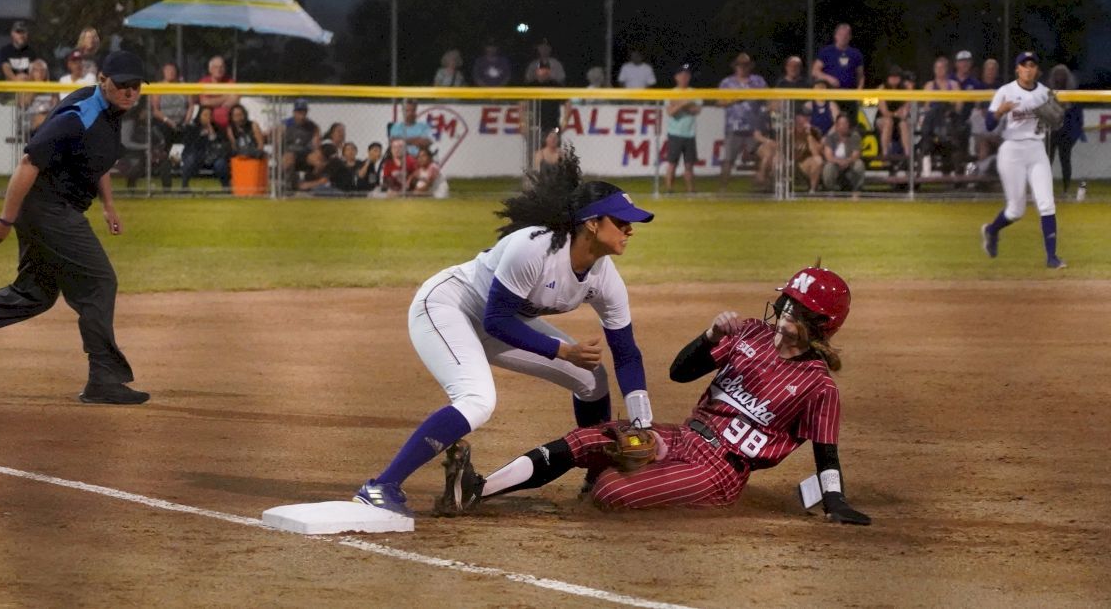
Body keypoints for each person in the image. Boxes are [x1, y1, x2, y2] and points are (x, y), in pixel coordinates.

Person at [432, 264, 870, 528]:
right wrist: (709, 336)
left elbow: (827, 454)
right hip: (682, 437)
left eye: (795, 308)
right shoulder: (749, 333)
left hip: (720, 471)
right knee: (587, 440)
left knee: (611, 490)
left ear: (820, 322)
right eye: (786, 303)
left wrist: (834, 501)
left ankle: (618, 481)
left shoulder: (818, 385)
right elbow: (680, 373)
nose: (783, 311)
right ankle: (475, 489)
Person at [353, 152, 657, 517]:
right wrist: (563, 351)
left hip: (499, 320)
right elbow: (496, 320)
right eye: (622, 222)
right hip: (449, 306)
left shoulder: (604, 278)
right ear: (592, 223)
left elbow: (626, 352)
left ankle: (595, 475)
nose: (630, 230)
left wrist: (643, 423)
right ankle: (380, 485)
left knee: (592, 379)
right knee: (478, 399)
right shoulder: (535, 248)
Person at [0, 51, 151, 404]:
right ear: (102, 79)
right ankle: (103, 378)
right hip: (48, 210)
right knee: (99, 281)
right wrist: (5, 220)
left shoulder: (110, 112)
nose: (130, 92)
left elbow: (98, 159)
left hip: (57, 209)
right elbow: (29, 162)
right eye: (123, 85)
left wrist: (108, 205)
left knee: (35, 295)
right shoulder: (79, 115)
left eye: (136, 86)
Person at [981, 52, 1066, 269]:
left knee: (1047, 203)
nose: (1028, 69)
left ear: (1037, 70)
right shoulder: (1006, 91)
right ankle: (991, 230)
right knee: (1016, 210)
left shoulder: (1045, 93)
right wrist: (1000, 111)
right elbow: (989, 125)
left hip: (1036, 149)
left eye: (1032, 65)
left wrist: (1057, 118)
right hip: (1011, 151)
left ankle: (1052, 257)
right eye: (1024, 65)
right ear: (1017, 69)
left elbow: (1059, 122)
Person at [717, 53, 768, 193]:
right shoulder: (727, 83)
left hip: (754, 129)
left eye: (745, 65)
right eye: (740, 65)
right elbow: (720, 102)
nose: (743, 68)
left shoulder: (758, 81)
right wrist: (736, 98)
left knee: (762, 156)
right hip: (734, 127)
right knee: (728, 160)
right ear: (735, 67)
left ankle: (761, 185)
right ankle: (723, 188)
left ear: (750, 66)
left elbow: (768, 98)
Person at [920, 56, 966, 175]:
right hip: (934, 126)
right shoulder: (929, 86)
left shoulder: (954, 85)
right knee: (933, 114)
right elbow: (926, 107)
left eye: (942, 68)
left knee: (951, 117)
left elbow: (959, 107)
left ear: (947, 69)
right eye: (937, 68)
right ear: (934, 69)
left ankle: (958, 175)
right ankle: (925, 167)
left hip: (949, 125)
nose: (940, 70)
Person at [812, 23, 865, 120]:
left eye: (846, 35)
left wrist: (859, 91)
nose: (843, 37)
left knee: (854, 118)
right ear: (836, 36)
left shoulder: (855, 54)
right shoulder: (826, 51)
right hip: (831, 94)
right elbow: (815, 71)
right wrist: (828, 78)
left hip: (850, 94)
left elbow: (860, 76)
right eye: (841, 35)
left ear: (850, 37)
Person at [664, 63, 701, 193]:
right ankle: (669, 189)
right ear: (676, 77)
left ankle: (690, 190)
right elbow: (670, 112)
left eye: (687, 74)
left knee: (689, 164)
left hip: (689, 134)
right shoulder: (671, 93)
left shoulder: (694, 92)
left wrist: (678, 103)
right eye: (681, 74)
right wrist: (686, 103)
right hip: (675, 133)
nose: (684, 77)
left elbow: (696, 110)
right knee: (672, 163)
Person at [1047, 64, 1083, 196]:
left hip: (1067, 133)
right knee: (1047, 161)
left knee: (1065, 161)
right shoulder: (1048, 92)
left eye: (1062, 74)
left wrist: (1075, 134)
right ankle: (1045, 188)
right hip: (1052, 132)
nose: (1059, 77)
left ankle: (1066, 189)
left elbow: (1078, 116)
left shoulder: (1073, 93)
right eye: (1057, 74)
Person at [180, 106, 230, 189]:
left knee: (220, 163)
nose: (208, 117)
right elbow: (189, 143)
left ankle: (226, 187)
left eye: (210, 115)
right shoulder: (192, 128)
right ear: (199, 115)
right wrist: (201, 135)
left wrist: (210, 129)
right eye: (205, 115)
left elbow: (218, 143)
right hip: (196, 155)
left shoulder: (217, 128)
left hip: (212, 157)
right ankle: (184, 186)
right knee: (190, 159)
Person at [150, 62, 192, 152]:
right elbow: (155, 110)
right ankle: (165, 158)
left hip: (182, 122)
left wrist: (186, 121)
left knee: (184, 134)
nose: (171, 72)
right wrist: (168, 121)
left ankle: (175, 162)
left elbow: (190, 106)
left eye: (173, 70)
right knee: (168, 133)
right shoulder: (158, 87)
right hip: (164, 122)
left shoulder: (184, 86)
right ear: (163, 72)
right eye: (168, 70)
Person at [279, 99, 321, 187]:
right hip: (289, 152)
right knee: (289, 157)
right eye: (299, 112)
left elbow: (316, 145)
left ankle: (310, 184)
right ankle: (290, 184)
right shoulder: (285, 124)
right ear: (294, 112)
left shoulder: (312, 126)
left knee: (318, 159)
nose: (302, 115)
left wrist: (317, 153)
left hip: (304, 154)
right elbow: (277, 143)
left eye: (304, 112)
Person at [822, 114, 865, 193]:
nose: (843, 126)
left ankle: (857, 189)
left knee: (859, 164)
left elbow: (856, 154)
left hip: (850, 163)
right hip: (835, 164)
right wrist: (839, 162)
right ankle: (830, 190)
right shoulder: (830, 138)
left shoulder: (855, 137)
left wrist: (847, 161)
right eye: (841, 124)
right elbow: (828, 156)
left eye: (845, 123)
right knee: (828, 166)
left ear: (849, 125)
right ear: (837, 126)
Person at [876, 65, 912, 158]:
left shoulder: (906, 89)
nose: (894, 79)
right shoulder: (882, 89)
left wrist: (903, 113)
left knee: (904, 124)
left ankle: (907, 155)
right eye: (892, 77)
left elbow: (906, 110)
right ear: (888, 78)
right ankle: (885, 154)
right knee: (888, 122)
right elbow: (884, 112)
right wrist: (895, 113)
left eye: (896, 77)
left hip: (900, 119)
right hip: (883, 119)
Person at [198, 55, 239, 130]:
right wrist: (226, 97)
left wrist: (215, 102)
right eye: (216, 67)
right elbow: (205, 102)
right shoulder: (203, 82)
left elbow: (235, 98)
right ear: (210, 69)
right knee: (205, 113)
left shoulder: (230, 81)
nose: (219, 70)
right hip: (210, 121)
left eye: (221, 67)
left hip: (229, 120)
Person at [21, 59, 59, 137]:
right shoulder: (26, 87)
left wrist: (54, 100)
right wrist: (36, 89)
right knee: (41, 119)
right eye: (36, 70)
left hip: (48, 117)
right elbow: (23, 104)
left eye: (43, 70)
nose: (40, 73)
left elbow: (56, 107)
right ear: (31, 73)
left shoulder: (52, 88)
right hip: (31, 119)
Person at [793, 111, 826, 192]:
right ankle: (779, 192)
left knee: (818, 160)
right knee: (777, 159)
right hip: (789, 162)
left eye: (807, 116)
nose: (806, 119)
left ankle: (812, 190)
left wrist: (809, 135)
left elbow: (816, 153)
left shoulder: (815, 131)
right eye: (803, 116)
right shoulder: (789, 131)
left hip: (805, 163)